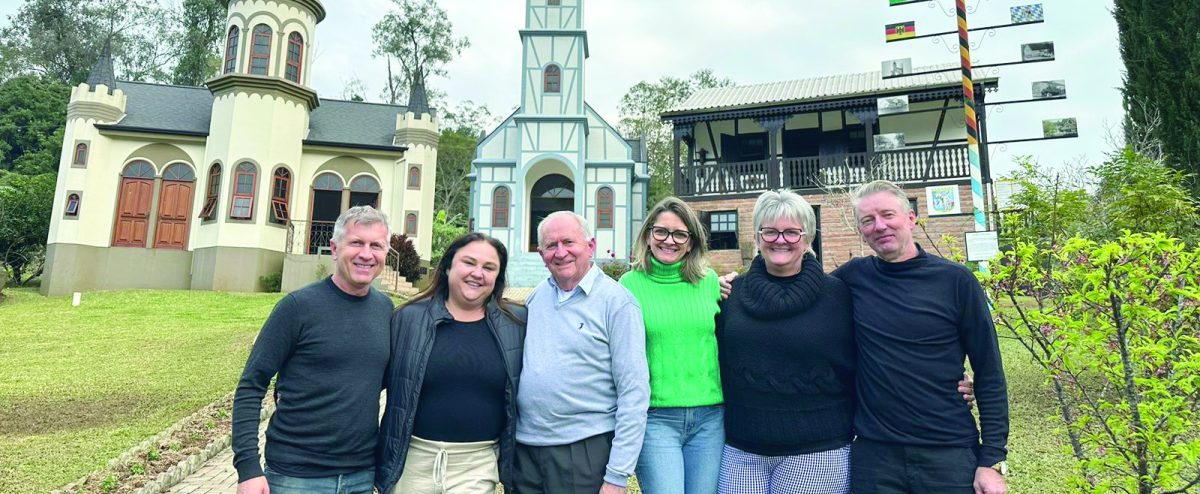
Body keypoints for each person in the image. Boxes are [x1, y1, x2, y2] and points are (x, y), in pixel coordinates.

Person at [834, 180, 1009, 494]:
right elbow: (799, 293)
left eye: (888, 215)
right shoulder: (851, 278)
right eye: (868, 221)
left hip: (948, 451)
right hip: (875, 455)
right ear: (860, 230)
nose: (880, 226)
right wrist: (723, 287)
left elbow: (989, 371)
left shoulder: (956, 281)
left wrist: (992, 459)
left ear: (911, 218)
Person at [232, 206, 394, 494]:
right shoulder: (297, 308)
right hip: (295, 477)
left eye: (376, 246)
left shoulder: (386, 310)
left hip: (361, 475)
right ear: (334, 248)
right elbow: (251, 385)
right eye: (356, 242)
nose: (366, 254)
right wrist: (248, 469)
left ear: (385, 253)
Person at [716, 190, 856, 493]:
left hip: (818, 449)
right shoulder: (730, 294)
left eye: (792, 232)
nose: (780, 240)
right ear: (757, 237)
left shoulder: (839, 295)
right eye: (770, 231)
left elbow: (872, 355)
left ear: (807, 239)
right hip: (742, 449)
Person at [375, 232, 526, 494]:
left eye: (489, 268)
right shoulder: (408, 319)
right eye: (469, 263)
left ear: (497, 278)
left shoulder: (516, 324)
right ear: (447, 267)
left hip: (476, 464)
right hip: (412, 461)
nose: (478, 273)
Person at [512, 211, 650, 494]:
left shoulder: (618, 303)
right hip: (526, 449)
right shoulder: (536, 298)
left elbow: (634, 391)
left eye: (568, 242)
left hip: (584, 450)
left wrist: (617, 476)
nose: (560, 253)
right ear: (541, 254)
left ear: (591, 246)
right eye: (551, 246)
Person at [618, 197, 724, 494]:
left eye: (680, 234)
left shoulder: (710, 282)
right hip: (655, 419)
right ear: (648, 236)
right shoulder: (628, 286)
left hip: (710, 418)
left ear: (691, 242)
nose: (669, 240)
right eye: (661, 231)